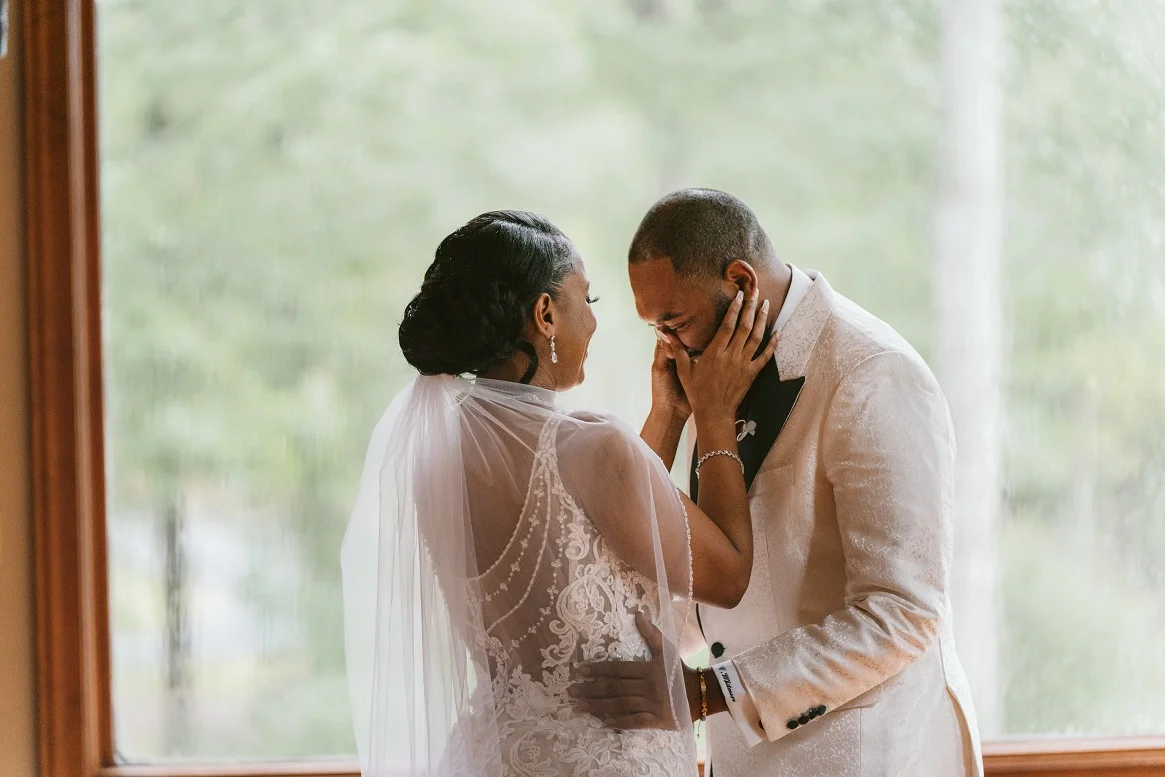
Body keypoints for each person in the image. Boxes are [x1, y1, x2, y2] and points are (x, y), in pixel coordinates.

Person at [340, 210, 776, 777]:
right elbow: (729, 575)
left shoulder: (438, 458)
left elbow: (601, 525)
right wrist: (715, 415)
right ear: (545, 313)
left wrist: (667, 414)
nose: (593, 326)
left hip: (493, 755)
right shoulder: (592, 447)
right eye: (586, 301)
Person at [574, 189, 984, 777]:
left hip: (862, 755)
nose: (666, 347)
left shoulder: (871, 374)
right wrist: (668, 415)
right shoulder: (709, 372)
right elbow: (712, 566)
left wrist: (709, 692)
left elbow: (903, 612)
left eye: (674, 323)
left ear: (741, 284)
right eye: (655, 328)